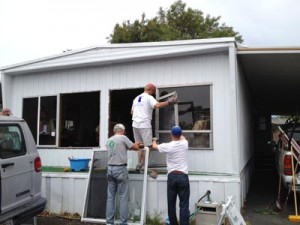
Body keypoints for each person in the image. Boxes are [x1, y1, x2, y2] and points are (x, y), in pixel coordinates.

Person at [131, 83, 177, 172]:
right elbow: (157, 106)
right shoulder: (149, 97)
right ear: (150, 89)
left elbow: (131, 112)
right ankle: (144, 166)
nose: (154, 93)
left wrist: (140, 112)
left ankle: (138, 164)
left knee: (140, 145)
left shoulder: (136, 98)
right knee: (149, 146)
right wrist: (169, 102)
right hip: (144, 124)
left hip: (135, 124)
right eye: (154, 90)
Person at [151, 126, 190, 225]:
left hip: (172, 176)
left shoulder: (168, 146)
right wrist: (180, 135)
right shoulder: (185, 144)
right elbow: (182, 138)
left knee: (171, 204)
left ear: (171, 135)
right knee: (184, 205)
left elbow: (154, 146)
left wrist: (154, 140)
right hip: (183, 176)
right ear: (180, 134)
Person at [106, 123, 141, 225]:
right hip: (120, 169)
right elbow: (134, 147)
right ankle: (123, 222)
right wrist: (138, 143)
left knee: (111, 197)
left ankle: (109, 222)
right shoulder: (123, 138)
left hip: (110, 169)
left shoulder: (109, 140)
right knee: (123, 197)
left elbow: (118, 150)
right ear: (122, 130)